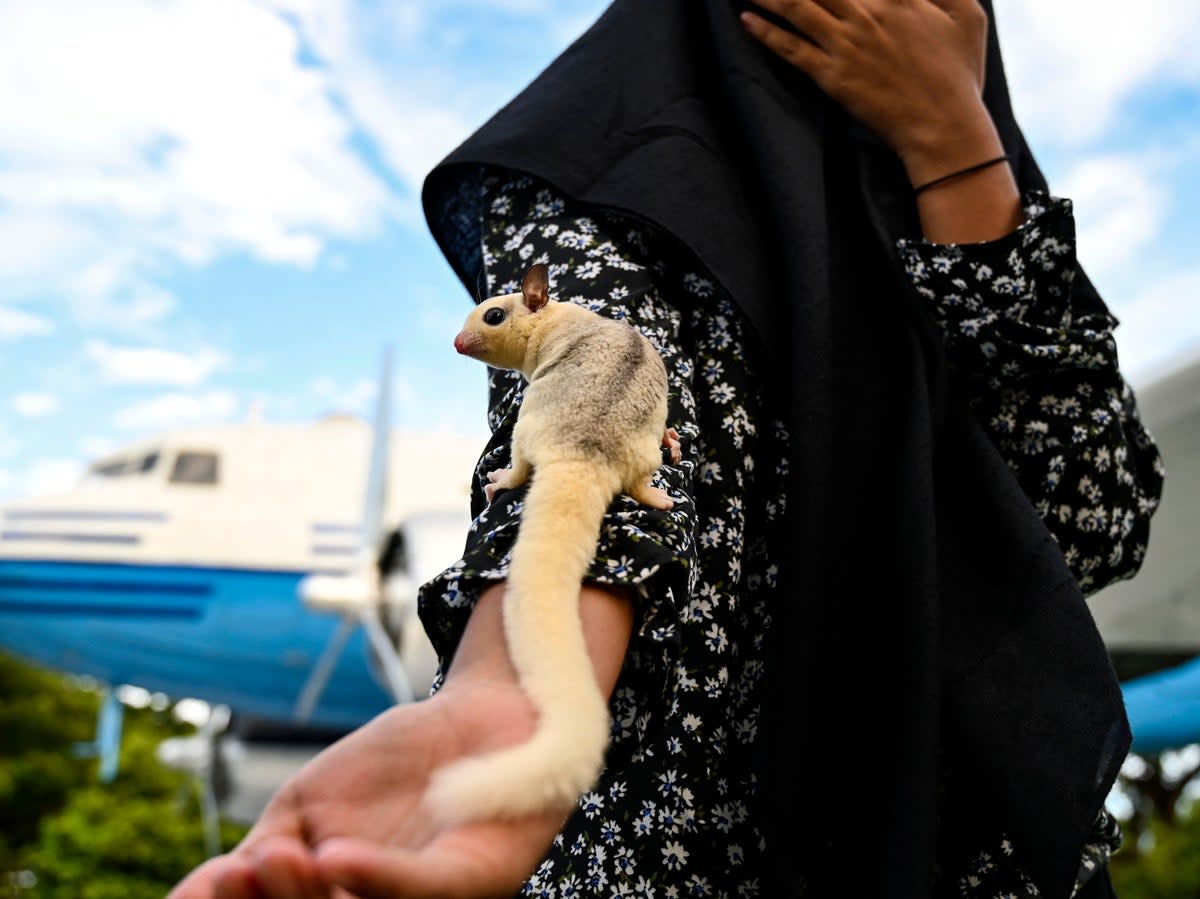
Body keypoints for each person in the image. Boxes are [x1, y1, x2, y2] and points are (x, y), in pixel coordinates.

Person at [168, 0, 1164, 897]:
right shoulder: (609, 169)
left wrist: (953, 142)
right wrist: (514, 691)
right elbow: (595, 390)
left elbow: (1089, 519)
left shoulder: (1008, 219)